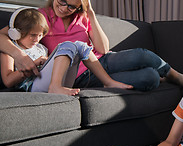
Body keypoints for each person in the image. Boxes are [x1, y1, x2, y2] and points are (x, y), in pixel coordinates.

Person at [0, 0, 183, 92]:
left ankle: (176, 76)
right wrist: (20, 56)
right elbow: (4, 35)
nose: (64, 8)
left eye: (72, 6)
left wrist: (91, 14)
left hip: (101, 61)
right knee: (150, 79)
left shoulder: (82, 18)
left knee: (143, 55)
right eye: (61, 0)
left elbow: (103, 49)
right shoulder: (39, 18)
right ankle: (160, 76)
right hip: (80, 76)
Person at [1, 7, 131, 95]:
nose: (37, 39)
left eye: (40, 35)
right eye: (32, 35)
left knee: (80, 46)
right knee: (67, 45)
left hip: (56, 80)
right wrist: (33, 64)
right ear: (17, 33)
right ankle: (55, 87)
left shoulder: (41, 48)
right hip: (33, 87)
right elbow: (8, 81)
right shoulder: (11, 49)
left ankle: (107, 82)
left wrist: (47, 61)